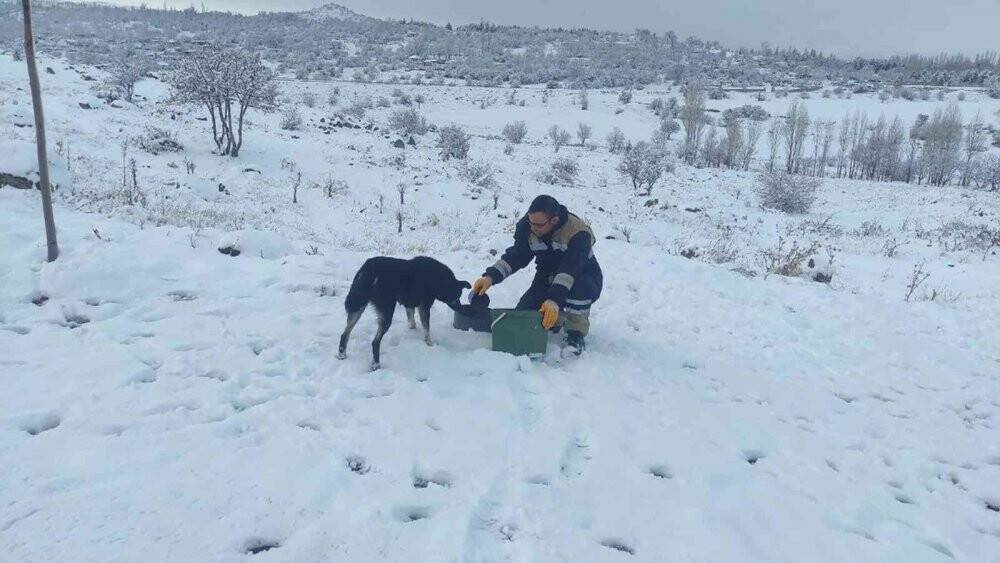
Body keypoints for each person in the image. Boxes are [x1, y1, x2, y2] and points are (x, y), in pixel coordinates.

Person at [472, 195, 602, 355]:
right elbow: (517, 256)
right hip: (546, 275)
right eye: (530, 222)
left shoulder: (578, 232)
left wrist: (553, 300)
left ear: (553, 221)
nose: (533, 228)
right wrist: (490, 277)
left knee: (580, 290)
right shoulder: (527, 226)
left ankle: (576, 333)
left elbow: (570, 270)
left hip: (582, 276)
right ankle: (556, 317)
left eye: (538, 225)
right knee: (524, 314)